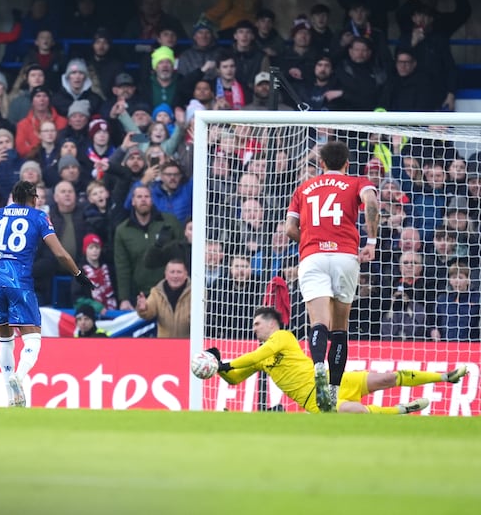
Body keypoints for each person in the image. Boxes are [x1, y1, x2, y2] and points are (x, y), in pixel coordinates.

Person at [0, 180, 94, 407]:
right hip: (19, 282)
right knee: (33, 339)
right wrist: (78, 273)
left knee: (5, 342)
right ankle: (19, 377)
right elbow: (60, 253)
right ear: (34, 198)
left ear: (13, 197)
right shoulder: (39, 217)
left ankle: (11, 398)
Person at [207, 306, 467, 414]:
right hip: (316, 401)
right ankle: (402, 410)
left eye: (257, 324)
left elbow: (257, 355)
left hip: (333, 382)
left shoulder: (282, 337)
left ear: (272, 323)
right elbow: (235, 378)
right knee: (357, 412)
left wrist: (226, 363)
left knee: (386, 377)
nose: (254, 329)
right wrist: (219, 367)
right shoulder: (259, 357)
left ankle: (446, 376)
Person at [285, 140, 380, 412]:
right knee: (340, 327)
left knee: (319, 323)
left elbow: (289, 228)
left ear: (322, 164)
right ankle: (335, 389)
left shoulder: (303, 188)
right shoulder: (356, 182)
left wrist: (313, 240)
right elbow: (371, 201)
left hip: (312, 257)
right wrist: (371, 242)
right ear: (347, 164)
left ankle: (317, 366)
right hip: (345, 256)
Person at [135, 259, 191, 338]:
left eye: (179, 272)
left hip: (190, 344)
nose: (175, 276)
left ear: (186, 274)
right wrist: (143, 308)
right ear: (166, 274)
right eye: (172, 272)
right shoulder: (156, 292)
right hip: (164, 344)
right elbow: (148, 313)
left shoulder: (197, 292)